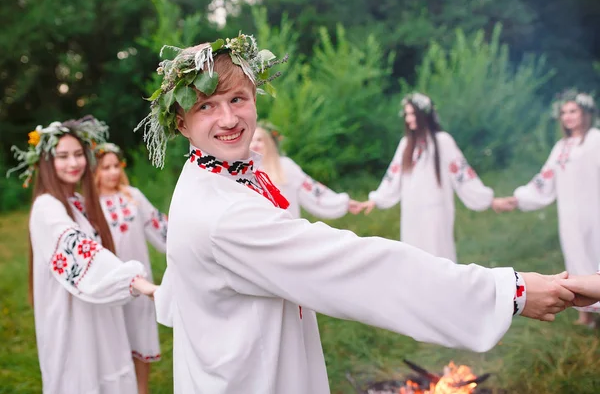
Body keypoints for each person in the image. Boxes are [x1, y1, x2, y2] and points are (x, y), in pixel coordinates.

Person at [135, 34, 582, 394]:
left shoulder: (209, 177)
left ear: (255, 97)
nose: (228, 118)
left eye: (237, 99)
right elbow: (360, 271)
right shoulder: (224, 215)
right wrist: (509, 292)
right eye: (206, 106)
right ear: (180, 123)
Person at [7, 117, 157, 394]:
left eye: (78, 155)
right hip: (71, 318)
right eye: (62, 156)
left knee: (109, 374)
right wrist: (139, 284)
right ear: (46, 163)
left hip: (97, 311)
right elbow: (80, 251)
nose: (73, 163)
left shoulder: (77, 203)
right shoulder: (46, 207)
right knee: (81, 378)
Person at [354, 93, 510, 262]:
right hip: (412, 212)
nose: (408, 119)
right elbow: (393, 175)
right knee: (414, 256)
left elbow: (462, 174)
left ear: (424, 115)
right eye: (406, 114)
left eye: (412, 114)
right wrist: (376, 199)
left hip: (436, 212)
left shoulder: (443, 142)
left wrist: (487, 200)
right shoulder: (406, 145)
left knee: (438, 256)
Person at [495, 90, 600, 326]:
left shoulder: (596, 140)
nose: (568, 116)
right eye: (564, 112)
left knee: (596, 255)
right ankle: (586, 315)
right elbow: (545, 178)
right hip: (570, 214)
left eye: (573, 111)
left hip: (595, 211)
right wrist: (517, 199)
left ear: (585, 113)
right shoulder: (562, 147)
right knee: (576, 257)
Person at [94, 142, 167, 394]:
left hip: (139, 280)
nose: (113, 172)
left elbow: (160, 228)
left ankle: (142, 389)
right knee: (114, 338)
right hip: (110, 283)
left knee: (140, 333)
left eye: (116, 166)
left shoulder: (132, 196)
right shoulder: (89, 205)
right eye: (106, 168)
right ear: (95, 172)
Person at [249, 122, 359, 219]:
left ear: (269, 143)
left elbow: (311, 189)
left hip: (287, 228)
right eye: (251, 141)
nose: (255, 144)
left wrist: (343, 203)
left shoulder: (285, 165)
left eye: (259, 140)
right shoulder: (243, 170)